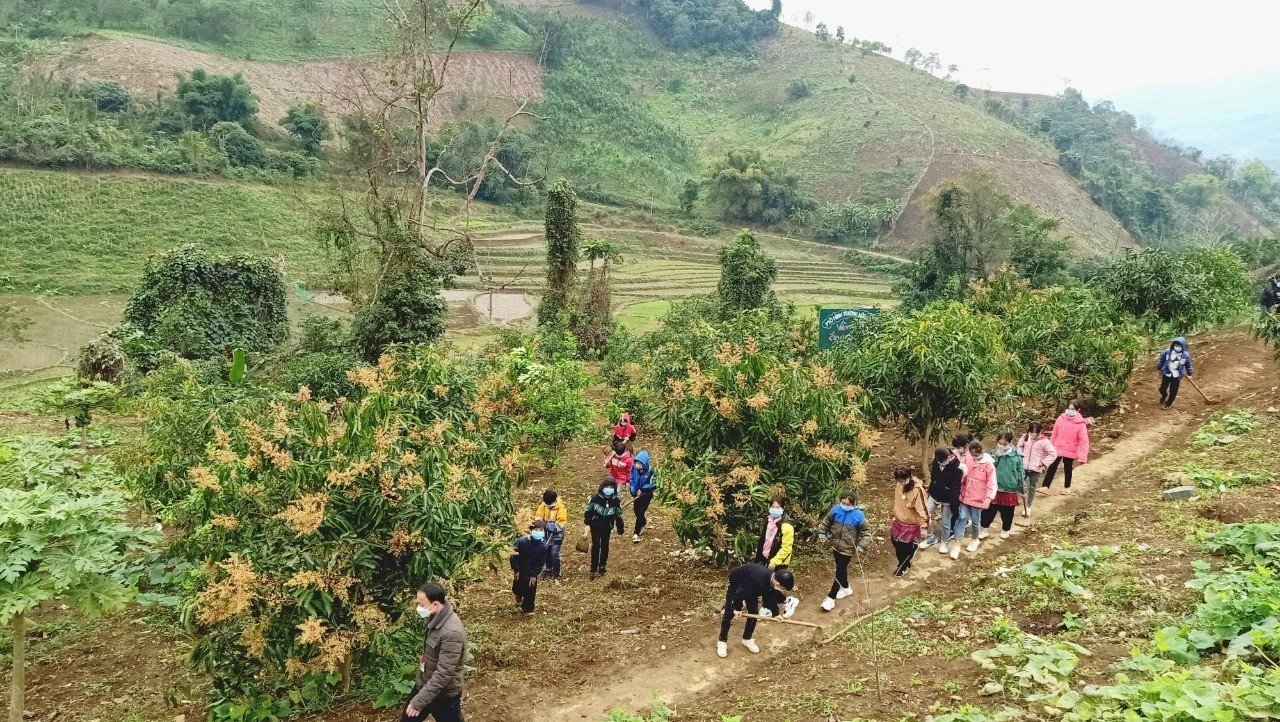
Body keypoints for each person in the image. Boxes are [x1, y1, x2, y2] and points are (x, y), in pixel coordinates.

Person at [403, 581, 466, 722]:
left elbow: (443, 674)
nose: (419, 608)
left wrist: (418, 701)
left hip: (444, 694)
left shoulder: (452, 633)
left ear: (436, 604)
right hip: (425, 685)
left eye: (421, 605)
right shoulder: (437, 616)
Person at [716, 563, 796, 658]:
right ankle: (722, 641)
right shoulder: (757, 579)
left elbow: (770, 596)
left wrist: (775, 614)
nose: (781, 589)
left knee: (753, 612)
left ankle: (747, 639)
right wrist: (734, 609)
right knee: (729, 613)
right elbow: (738, 594)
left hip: (751, 587)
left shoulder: (771, 580)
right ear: (778, 583)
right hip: (737, 583)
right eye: (782, 587)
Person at [817, 489, 867, 610]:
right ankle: (846, 588)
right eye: (843, 503)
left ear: (854, 504)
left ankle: (831, 598)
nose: (844, 506)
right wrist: (822, 534)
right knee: (841, 569)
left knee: (839, 571)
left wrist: (860, 547)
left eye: (847, 504)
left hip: (848, 549)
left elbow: (866, 533)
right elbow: (826, 522)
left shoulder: (859, 516)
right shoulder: (835, 510)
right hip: (835, 546)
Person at [956, 440, 997, 558]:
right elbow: (962, 473)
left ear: (981, 452)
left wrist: (988, 498)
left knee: (975, 521)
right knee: (962, 518)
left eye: (976, 455)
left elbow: (992, 483)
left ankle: (974, 539)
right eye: (972, 455)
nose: (974, 457)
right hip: (965, 495)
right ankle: (957, 543)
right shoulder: (967, 459)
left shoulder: (988, 465)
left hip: (978, 498)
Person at [923, 446, 966, 554]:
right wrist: (930, 490)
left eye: (942, 460)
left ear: (949, 456)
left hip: (948, 498)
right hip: (935, 494)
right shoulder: (937, 462)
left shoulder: (958, 468)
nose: (941, 462)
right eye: (938, 460)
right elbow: (934, 477)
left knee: (945, 523)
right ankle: (930, 537)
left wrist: (954, 504)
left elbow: (955, 488)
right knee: (924, 515)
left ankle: (944, 542)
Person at [983, 432, 1024, 540]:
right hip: (995, 487)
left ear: (1010, 443)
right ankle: (984, 529)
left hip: (1010, 488)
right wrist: (996, 456)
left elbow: (1020, 472)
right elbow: (989, 467)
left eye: (1004, 444)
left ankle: (1006, 529)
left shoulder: (1017, 455)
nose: (1002, 446)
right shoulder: (994, 453)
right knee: (989, 509)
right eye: (1000, 443)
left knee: (1007, 511)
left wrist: (1022, 488)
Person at [1043, 400, 1090, 495]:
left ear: (1078, 410)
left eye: (1072, 409)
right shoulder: (1061, 418)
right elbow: (1054, 433)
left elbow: (1084, 441)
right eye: (1069, 408)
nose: (1070, 410)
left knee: (1067, 468)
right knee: (1052, 466)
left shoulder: (1080, 424)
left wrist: (1082, 456)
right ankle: (1045, 486)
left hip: (1070, 450)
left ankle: (1067, 487)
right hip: (1057, 447)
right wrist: (1050, 447)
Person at [890, 467, 928, 576]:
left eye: (902, 481)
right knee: (894, 541)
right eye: (898, 481)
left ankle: (903, 566)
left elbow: (923, 510)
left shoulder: (917, 490)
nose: (900, 483)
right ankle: (913, 548)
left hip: (911, 523)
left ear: (908, 477)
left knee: (902, 548)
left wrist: (924, 527)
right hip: (899, 520)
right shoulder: (899, 485)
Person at [583, 478, 624, 577]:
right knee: (596, 545)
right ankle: (593, 567)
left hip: (607, 526)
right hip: (595, 525)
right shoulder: (595, 498)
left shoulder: (615, 500)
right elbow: (588, 510)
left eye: (611, 487)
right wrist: (587, 523)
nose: (609, 489)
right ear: (602, 487)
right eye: (607, 487)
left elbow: (618, 514)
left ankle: (602, 566)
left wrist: (620, 527)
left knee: (605, 545)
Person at [510, 520, 548, 615]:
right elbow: (514, 555)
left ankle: (528, 609)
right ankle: (518, 597)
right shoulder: (521, 541)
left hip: (532, 571)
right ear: (531, 530)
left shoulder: (543, 545)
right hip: (521, 569)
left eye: (541, 530)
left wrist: (534, 574)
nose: (539, 532)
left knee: (531, 590)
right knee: (518, 588)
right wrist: (516, 569)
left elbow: (541, 562)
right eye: (536, 529)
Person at [534, 489, 567, 581]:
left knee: (554, 554)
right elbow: (538, 517)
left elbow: (560, 524)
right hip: (545, 534)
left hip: (557, 535)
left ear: (554, 500)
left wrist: (547, 525)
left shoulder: (561, 509)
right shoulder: (543, 506)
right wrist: (540, 524)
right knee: (546, 552)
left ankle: (556, 572)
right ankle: (548, 570)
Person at [755, 496, 795, 569]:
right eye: (773, 507)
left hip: (778, 563)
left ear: (783, 508)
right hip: (764, 557)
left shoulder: (787, 526)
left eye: (778, 507)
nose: (775, 509)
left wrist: (774, 562)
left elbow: (786, 548)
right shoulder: (768, 520)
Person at [1156, 337, 1194, 410]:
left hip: (1176, 376)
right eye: (1176, 345)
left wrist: (1189, 374)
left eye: (1180, 346)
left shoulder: (1185, 356)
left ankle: (1168, 404)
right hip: (1167, 373)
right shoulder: (1167, 352)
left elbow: (1188, 365)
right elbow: (1162, 360)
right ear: (1173, 345)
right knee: (1162, 389)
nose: (1178, 347)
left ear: (1183, 346)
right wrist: (1160, 368)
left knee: (1173, 391)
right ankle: (1164, 395)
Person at [629, 449, 657, 542]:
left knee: (641, 512)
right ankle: (643, 522)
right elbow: (631, 478)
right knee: (636, 511)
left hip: (646, 494)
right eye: (636, 462)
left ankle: (636, 533)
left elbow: (654, 483)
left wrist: (644, 489)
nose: (637, 464)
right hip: (636, 494)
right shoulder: (634, 469)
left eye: (640, 462)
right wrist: (633, 489)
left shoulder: (651, 471)